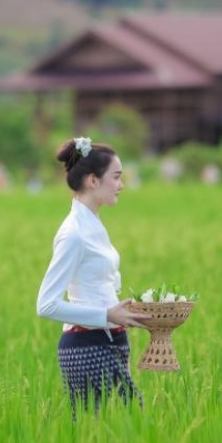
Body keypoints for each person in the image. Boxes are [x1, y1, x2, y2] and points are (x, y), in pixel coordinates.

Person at [36, 136, 151, 420]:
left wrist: (123, 313)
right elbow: (46, 305)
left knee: (126, 430)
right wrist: (107, 314)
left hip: (112, 340)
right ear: (93, 181)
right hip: (86, 346)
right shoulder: (73, 233)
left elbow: (100, 285)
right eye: (116, 177)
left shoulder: (93, 224)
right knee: (96, 435)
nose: (122, 185)